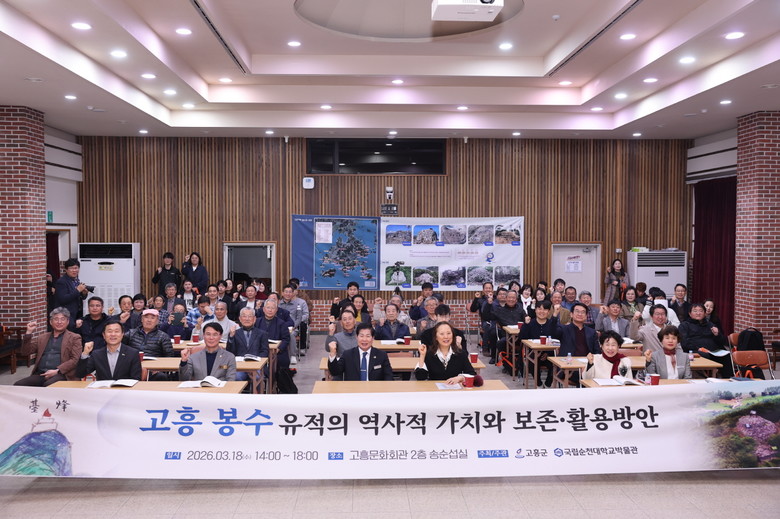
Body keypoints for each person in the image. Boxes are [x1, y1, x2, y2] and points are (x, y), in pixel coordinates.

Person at [14, 308, 82, 386]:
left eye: (62, 319)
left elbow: (75, 359)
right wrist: (28, 332)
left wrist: (57, 371)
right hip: (41, 373)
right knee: (18, 385)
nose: (59, 322)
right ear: (51, 322)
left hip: (62, 374)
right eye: (56, 319)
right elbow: (25, 352)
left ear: (68, 322)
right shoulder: (42, 337)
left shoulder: (74, 338)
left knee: (48, 385)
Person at [678, 303, 731, 377]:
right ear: (690, 314)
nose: (698, 313)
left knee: (727, 355)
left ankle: (728, 379)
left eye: (701, 311)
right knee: (705, 355)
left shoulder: (710, 325)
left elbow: (721, 342)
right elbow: (685, 343)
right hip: (696, 351)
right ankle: (707, 376)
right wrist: (698, 349)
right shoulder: (684, 325)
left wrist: (717, 334)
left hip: (713, 351)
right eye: (695, 311)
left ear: (705, 313)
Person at [76, 322, 142, 381]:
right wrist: (85, 353)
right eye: (109, 331)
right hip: (103, 389)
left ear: (122, 334)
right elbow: (80, 374)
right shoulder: (97, 354)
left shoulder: (133, 353)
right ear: (104, 335)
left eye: (116, 331)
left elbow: (136, 378)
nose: (113, 334)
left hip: (124, 390)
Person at [328, 323, 393, 381]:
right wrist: (332, 354)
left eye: (368, 336)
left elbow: (389, 377)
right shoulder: (348, 355)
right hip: (353, 389)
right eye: (361, 336)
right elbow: (335, 372)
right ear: (357, 337)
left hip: (374, 389)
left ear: (373, 338)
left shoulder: (381, 355)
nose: (364, 339)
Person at [520, 300, 561, 387]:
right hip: (533, 353)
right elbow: (522, 338)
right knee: (531, 359)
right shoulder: (530, 323)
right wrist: (526, 324)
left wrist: (547, 353)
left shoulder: (551, 323)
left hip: (549, 353)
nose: (542, 312)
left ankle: (548, 383)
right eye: (539, 309)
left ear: (548, 312)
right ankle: (538, 383)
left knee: (555, 361)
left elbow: (556, 338)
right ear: (535, 310)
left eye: (545, 309)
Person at [227, 307, 270, 387]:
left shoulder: (262, 334)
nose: (247, 319)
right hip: (239, 367)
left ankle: (257, 394)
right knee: (236, 377)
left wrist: (254, 364)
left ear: (254, 319)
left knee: (257, 377)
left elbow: (264, 352)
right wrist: (231, 337)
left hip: (257, 366)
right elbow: (230, 353)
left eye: (250, 316)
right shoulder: (235, 333)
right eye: (244, 316)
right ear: (240, 319)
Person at [485, 289, 527, 365]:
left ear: (516, 299)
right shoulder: (500, 310)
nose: (511, 299)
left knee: (526, 343)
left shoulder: (520, 309)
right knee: (500, 342)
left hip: (519, 336)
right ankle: (507, 363)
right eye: (509, 297)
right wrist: (489, 304)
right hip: (507, 336)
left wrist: (527, 319)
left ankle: (521, 364)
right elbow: (487, 316)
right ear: (506, 298)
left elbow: (526, 319)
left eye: (513, 298)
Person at [255, 299, 291, 370]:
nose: (270, 310)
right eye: (268, 308)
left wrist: (279, 348)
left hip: (277, 351)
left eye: (273, 308)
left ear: (276, 310)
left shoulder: (281, 323)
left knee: (281, 362)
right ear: (264, 309)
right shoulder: (257, 322)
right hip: (260, 350)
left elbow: (286, 339)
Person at [53, 258, 89, 327]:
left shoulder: (76, 280)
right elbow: (63, 299)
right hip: (66, 315)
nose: (74, 270)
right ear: (66, 270)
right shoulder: (61, 282)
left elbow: (79, 297)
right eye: (71, 268)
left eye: (76, 268)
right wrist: (78, 290)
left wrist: (84, 293)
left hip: (77, 314)